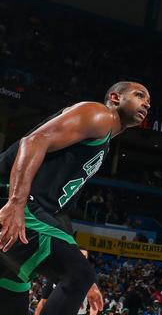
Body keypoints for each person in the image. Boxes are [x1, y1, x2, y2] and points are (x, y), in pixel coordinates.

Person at [0, 82, 150, 315]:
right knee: (78, 273)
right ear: (115, 97)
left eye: (148, 101)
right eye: (139, 95)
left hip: (31, 210)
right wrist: (15, 203)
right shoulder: (98, 115)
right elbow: (33, 141)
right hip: (11, 197)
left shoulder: (102, 142)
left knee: (14, 294)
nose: (146, 103)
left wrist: (86, 280)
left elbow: (58, 212)